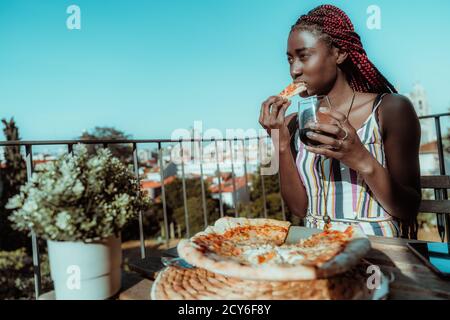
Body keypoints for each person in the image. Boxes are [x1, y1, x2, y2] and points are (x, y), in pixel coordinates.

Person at [259, 4, 421, 238]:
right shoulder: (294, 123)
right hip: (316, 248)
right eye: (290, 60)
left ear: (339, 53)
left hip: (378, 251)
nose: (294, 70)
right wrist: (281, 142)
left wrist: (360, 158)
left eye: (303, 56)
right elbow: (299, 209)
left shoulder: (390, 109)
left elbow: (407, 207)